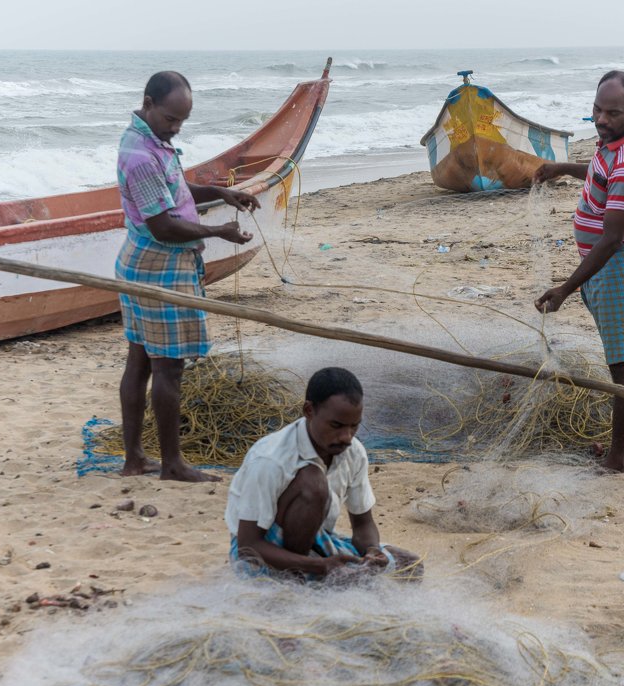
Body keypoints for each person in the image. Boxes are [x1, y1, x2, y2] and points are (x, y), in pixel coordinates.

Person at [115, 70, 261, 482]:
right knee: (167, 367)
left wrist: (220, 192)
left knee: (141, 358)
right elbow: (163, 225)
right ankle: (172, 464)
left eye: (182, 122)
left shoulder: (153, 142)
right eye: (171, 119)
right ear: (148, 104)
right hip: (159, 264)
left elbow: (175, 189)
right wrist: (218, 231)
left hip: (143, 260)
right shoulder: (141, 156)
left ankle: (135, 459)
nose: (176, 129)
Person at [533, 70, 624, 474]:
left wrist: (566, 288)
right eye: (596, 110)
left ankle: (617, 459)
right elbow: (599, 170)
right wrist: (563, 168)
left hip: (620, 267)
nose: (601, 120)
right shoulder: (615, 142)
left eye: (612, 112)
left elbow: (610, 238)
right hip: (615, 267)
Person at [226, 367, 422, 579]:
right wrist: (320, 566)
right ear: (309, 411)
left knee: (410, 565)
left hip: (314, 541)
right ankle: (296, 578)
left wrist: (372, 551)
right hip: (260, 556)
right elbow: (249, 545)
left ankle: (312, 572)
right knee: (314, 483)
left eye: (354, 426)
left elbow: (363, 523)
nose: (347, 437)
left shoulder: (353, 452)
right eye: (336, 425)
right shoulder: (270, 459)